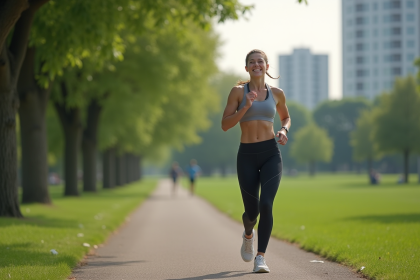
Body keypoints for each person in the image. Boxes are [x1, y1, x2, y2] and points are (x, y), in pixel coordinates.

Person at [221, 49, 291, 273]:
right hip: (247, 156)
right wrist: (245, 107)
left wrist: (283, 130)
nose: (256, 64)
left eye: (260, 61)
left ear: (267, 66)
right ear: (247, 68)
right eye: (252, 62)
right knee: (252, 213)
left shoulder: (277, 93)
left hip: (271, 152)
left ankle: (260, 257)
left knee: (267, 204)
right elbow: (225, 124)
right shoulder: (238, 92)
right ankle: (248, 234)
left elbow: (286, 117)